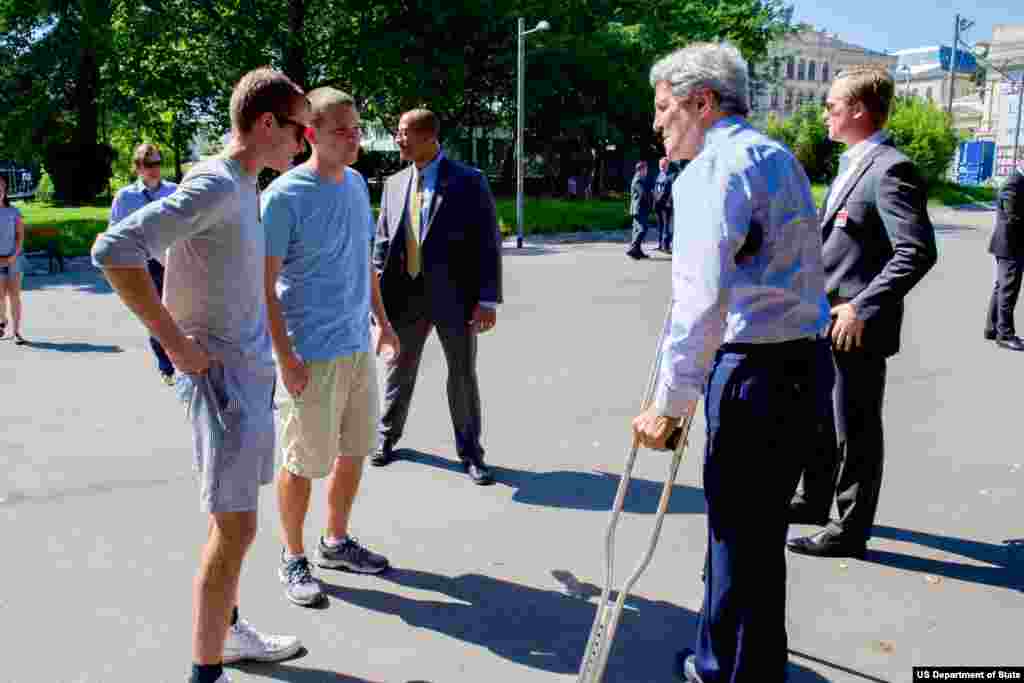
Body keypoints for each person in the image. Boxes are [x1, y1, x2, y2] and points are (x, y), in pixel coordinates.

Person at [92, 67, 310, 683]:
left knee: (232, 522)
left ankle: (229, 633)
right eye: (298, 129)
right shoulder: (217, 184)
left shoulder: (241, 185)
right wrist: (177, 346)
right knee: (236, 527)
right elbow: (113, 250)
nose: (304, 143)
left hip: (245, 376)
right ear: (266, 124)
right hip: (223, 385)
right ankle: (205, 671)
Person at [632, 42, 833, 683]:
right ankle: (757, 665)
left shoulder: (713, 170)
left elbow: (698, 304)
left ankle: (724, 671)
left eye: (666, 108)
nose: (657, 123)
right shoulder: (775, 156)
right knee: (758, 537)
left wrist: (670, 405)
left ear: (702, 102)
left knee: (734, 538)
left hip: (755, 371)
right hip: (803, 363)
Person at [788, 64, 938, 560]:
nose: (826, 113)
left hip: (856, 327)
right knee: (818, 420)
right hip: (822, 318)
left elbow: (915, 251)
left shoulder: (890, 168)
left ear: (857, 111)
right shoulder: (853, 164)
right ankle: (813, 500)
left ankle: (850, 529)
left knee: (855, 427)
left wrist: (862, 307)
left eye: (832, 105)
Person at [262, 87, 399, 607]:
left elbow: (364, 264)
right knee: (301, 461)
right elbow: (264, 285)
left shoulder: (357, 185)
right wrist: (285, 358)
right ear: (311, 134)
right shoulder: (283, 197)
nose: (354, 137)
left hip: (356, 347)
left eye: (357, 127)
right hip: (308, 354)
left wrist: (382, 323)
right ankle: (293, 556)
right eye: (343, 129)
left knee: (354, 449)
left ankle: (335, 542)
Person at [372, 108, 503, 485]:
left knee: (462, 376)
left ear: (429, 136)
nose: (398, 139)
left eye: (404, 133)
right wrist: (376, 300)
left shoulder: (468, 181)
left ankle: (472, 454)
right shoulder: (394, 183)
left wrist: (487, 300)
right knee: (398, 370)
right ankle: (386, 438)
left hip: (456, 301)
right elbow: (382, 243)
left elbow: (487, 243)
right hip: (404, 299)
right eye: (397, 133)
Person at [109, 143, 178, 384]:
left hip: (172, 261)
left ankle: (181, 360)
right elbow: (114, 233)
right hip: (142, 264)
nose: (155, 169)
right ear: (137, 167)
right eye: (149, 165)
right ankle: (166, 365)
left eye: (158, 163)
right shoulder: (125, 197)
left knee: (177, 312)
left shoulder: (175, 191)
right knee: (154, 316)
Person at [984, 163, 1023, 350]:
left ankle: (992, 329)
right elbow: (1013, 216)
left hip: (1010, 245)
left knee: (1002, 287)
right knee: (1008, 289)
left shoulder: (1018, 181)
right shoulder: (1014, 182)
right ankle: (1005, 335)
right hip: (1011, 245)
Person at [0, 175, 27, 345]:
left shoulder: (14, 211)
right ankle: (2, 321)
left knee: (14, 295)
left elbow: (20, 237)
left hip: (14, 259)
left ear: (4, 191)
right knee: (0, 296)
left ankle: (16, 331)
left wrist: (13, 256)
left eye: (0, 188)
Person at [626, 161, 652, 259]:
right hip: (639, 208)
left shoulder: (640, 178)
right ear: (641, 169)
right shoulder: (638, 179)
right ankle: (632, 249)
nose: (647, 171)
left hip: (639, 208)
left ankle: (637, 251)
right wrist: (651, 199)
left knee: (636, 230)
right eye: (645, 169)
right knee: (642, 229)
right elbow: (643, 194)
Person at [652, 157, 675, 253]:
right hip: (658, 204)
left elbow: (669, 192)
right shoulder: (659, 175)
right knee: (660, 226)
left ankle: (666, 246)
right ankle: (660, 245)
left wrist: (667, 201)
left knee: (666, 226)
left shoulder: (670, 176)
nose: (661, 167)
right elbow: (656, 189)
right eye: (660, 165)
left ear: (667, 165)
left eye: (663, 165)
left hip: (666, 205)